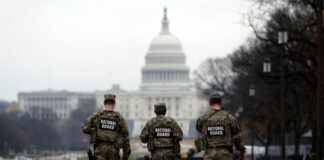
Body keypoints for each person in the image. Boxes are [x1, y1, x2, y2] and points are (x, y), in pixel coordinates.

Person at [195, 94, 246, 160]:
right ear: (221, 103)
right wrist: (242, 152)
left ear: (209, 103)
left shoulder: (202, 119)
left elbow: (199, 129)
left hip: (209, 155)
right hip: (226, 155)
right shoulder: (230, 118)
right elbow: (237, 137)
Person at [81, 94, 131, 160]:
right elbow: (126, 137)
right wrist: (125, 157)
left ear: (104, 103)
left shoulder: (97, 115)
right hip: (114, 153)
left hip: (99, 152)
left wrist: (95, 131)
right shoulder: (119, 118)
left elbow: (84, 128)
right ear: (114, 103)